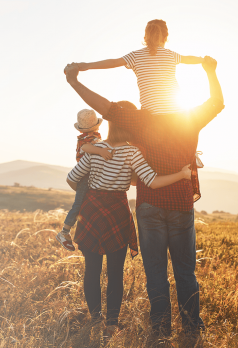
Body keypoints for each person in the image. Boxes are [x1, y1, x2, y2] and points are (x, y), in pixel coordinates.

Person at [63, 56, 224, 342]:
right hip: (180, 205)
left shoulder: (139, 120)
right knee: (185, 272)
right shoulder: (189, 117)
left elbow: (105, 108)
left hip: (146, 206)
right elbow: (216, 102)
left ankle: (159, 329)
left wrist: (75, 80)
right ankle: (191, 328)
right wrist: (210, 72)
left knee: (155, 273)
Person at [66, 116, 192, 338]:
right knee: (115, 273)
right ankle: (112, 324)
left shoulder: (95, 148)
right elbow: (151, 181)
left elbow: (72, 177)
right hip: (117, 212)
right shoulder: (132, 152)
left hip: (92, 211)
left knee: (92, 270)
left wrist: (89, 191)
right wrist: (182, 174)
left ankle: (96, 319)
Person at [73, 19, 204, 115]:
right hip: (177, 113)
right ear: (165, 37)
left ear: (145, 37)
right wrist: (204, 60)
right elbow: (189, 58)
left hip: (150, 114)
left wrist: (84, 66)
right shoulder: (171, 55)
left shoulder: (135, 56)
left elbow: (113, 62)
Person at [56, 109, 107, 251]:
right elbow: (85, 148)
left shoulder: (93, 136)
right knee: (78, 205)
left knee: (84, 204)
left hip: (89, 174)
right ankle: (64, 232)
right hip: (85, 175)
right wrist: (101, 151)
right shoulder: (86, 139)